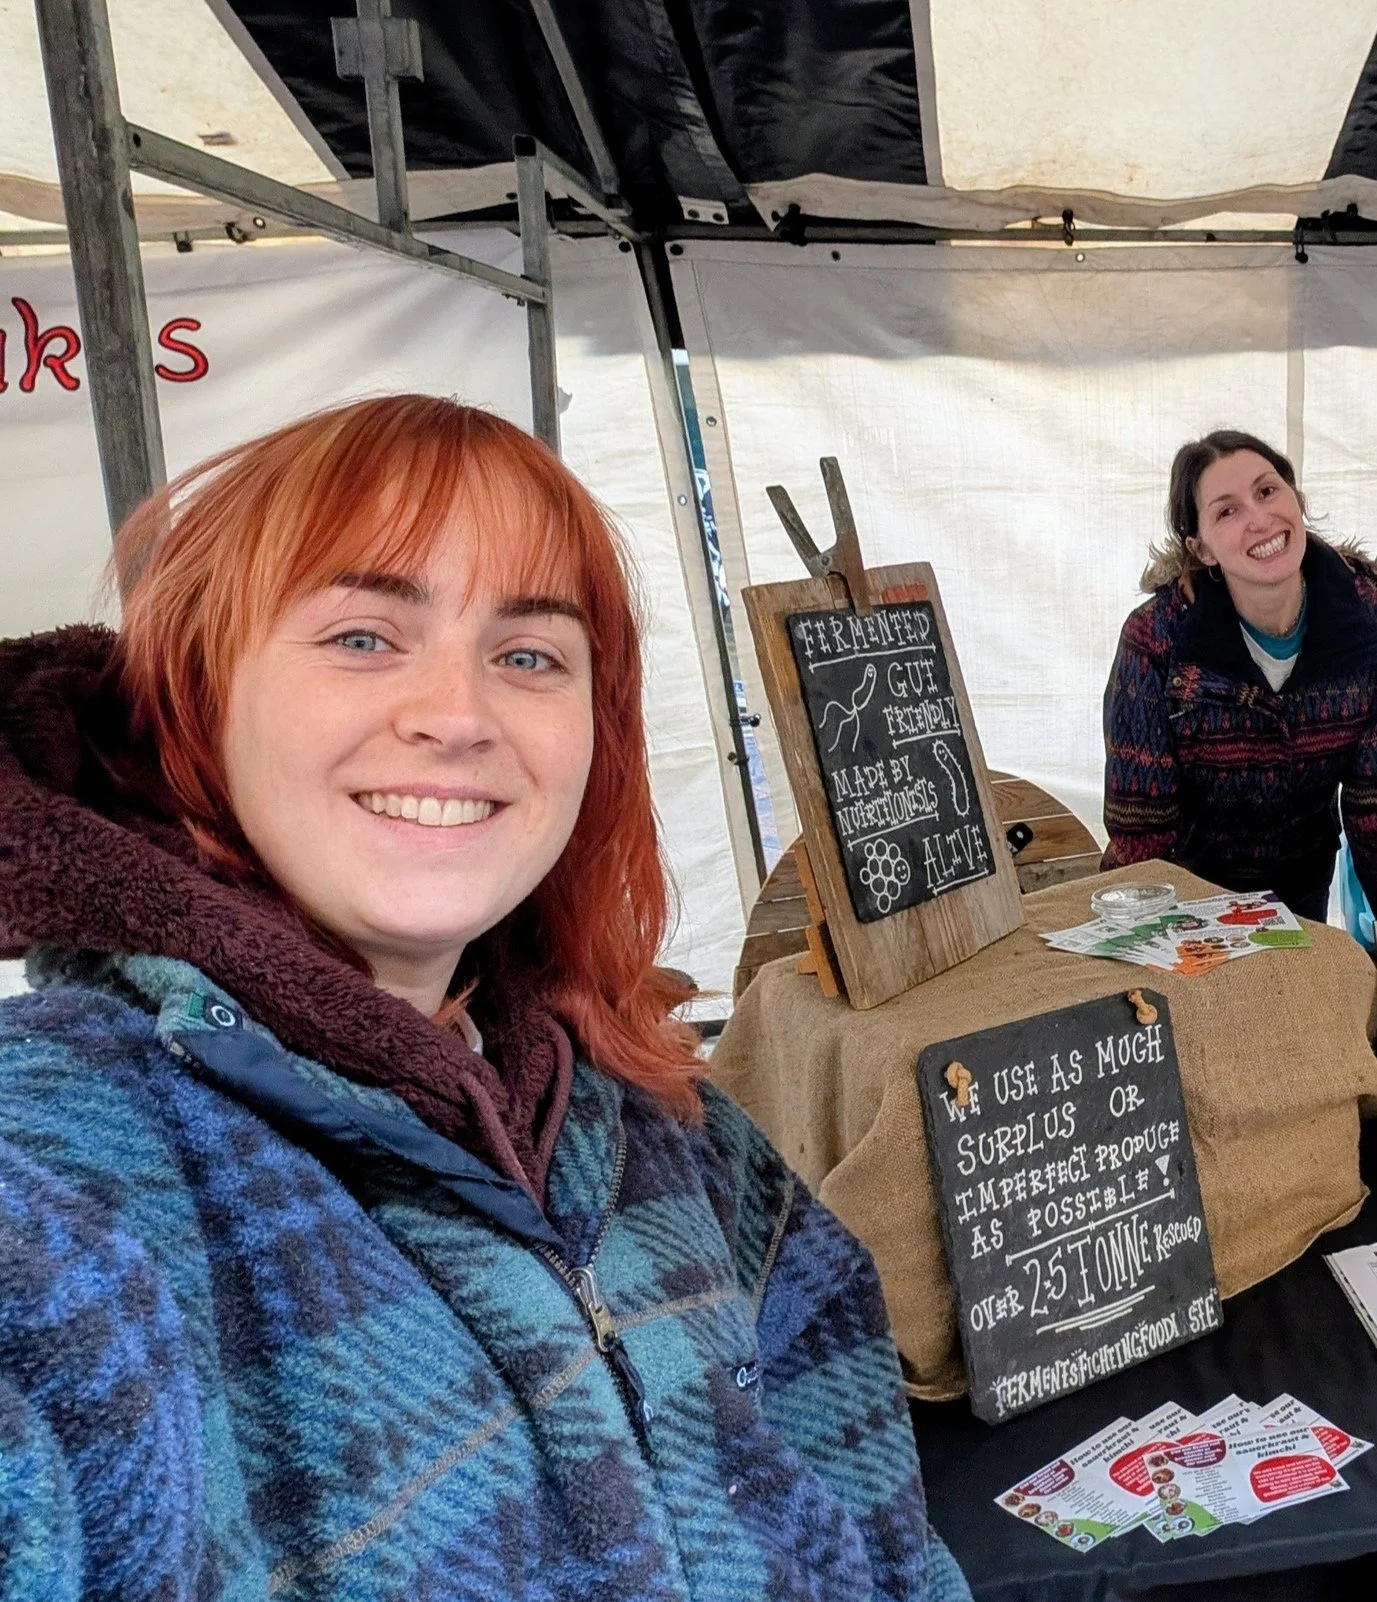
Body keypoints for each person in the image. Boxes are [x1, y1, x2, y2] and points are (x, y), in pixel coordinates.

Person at [0, 396, 966, 1601]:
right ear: (198, 690)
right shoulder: (72, 1162)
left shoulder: (673, 1133)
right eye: (363, 635)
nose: (456, 715)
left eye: (527, 655)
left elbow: (876, 1516)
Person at [1101, 429, 1377, 924]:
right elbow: (1142, 840)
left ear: (1295, 500)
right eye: (1227, 511)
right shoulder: (1156, 643)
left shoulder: (1370, 624)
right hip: (1185, 912)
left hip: (1300, 907)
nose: (1259, 519)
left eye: (1266, 491)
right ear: (1202, 548)